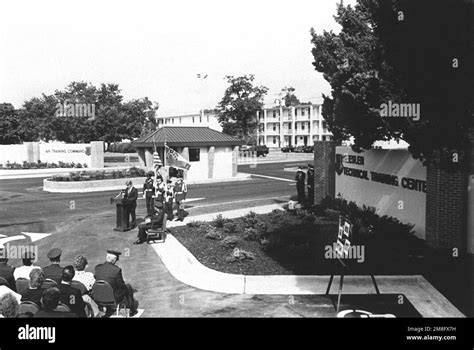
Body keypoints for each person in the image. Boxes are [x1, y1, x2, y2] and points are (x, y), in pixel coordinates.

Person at [94, 250, 138, 316]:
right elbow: (121, 285)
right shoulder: (116, 270)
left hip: (99, 297)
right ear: (114, 259)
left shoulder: (98, 268)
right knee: (128, 287)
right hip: (113, 298)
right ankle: (131, 310)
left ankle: (108, 308)